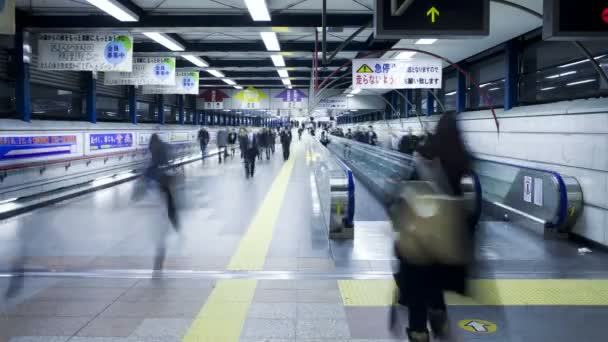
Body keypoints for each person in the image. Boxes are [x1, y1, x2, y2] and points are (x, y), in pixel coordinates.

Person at [391, 113, 473, 342]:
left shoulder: (424, 155)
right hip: (447, 238)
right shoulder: (463, 160)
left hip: (420, 234)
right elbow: (472, 207)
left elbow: (405, 193)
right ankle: (439, 319)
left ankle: (418, 332)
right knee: (437, 285)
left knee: (417, 288)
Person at [146, 133, 180, 271]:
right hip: (165, 182)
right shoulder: (164, 148)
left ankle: (159, 256)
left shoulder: (153, 154)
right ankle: (174, 223)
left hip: (157, 185)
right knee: (169, 203)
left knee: (163, 207)